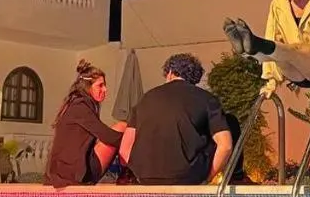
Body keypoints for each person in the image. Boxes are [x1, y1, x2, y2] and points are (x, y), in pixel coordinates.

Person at [119, 53, 232, 185]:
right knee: (227, 124)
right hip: (188, 177)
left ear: (170, 72)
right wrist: (207, 178)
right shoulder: (207, 99)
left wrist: (140, 171)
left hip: (146, 177)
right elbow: (226, 145)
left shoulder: (145, 99)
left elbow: (124, 149)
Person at [44, 60, 125, 188]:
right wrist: (137, 141)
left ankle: (127, 174)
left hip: (64, 172)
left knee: (120, 134)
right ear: (88, 86)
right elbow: (109, 137)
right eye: (100, 85)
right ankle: (128, 175)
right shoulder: (80, 106)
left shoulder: (76, 104)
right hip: (73, 175)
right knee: (122, 127)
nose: (105, 90)